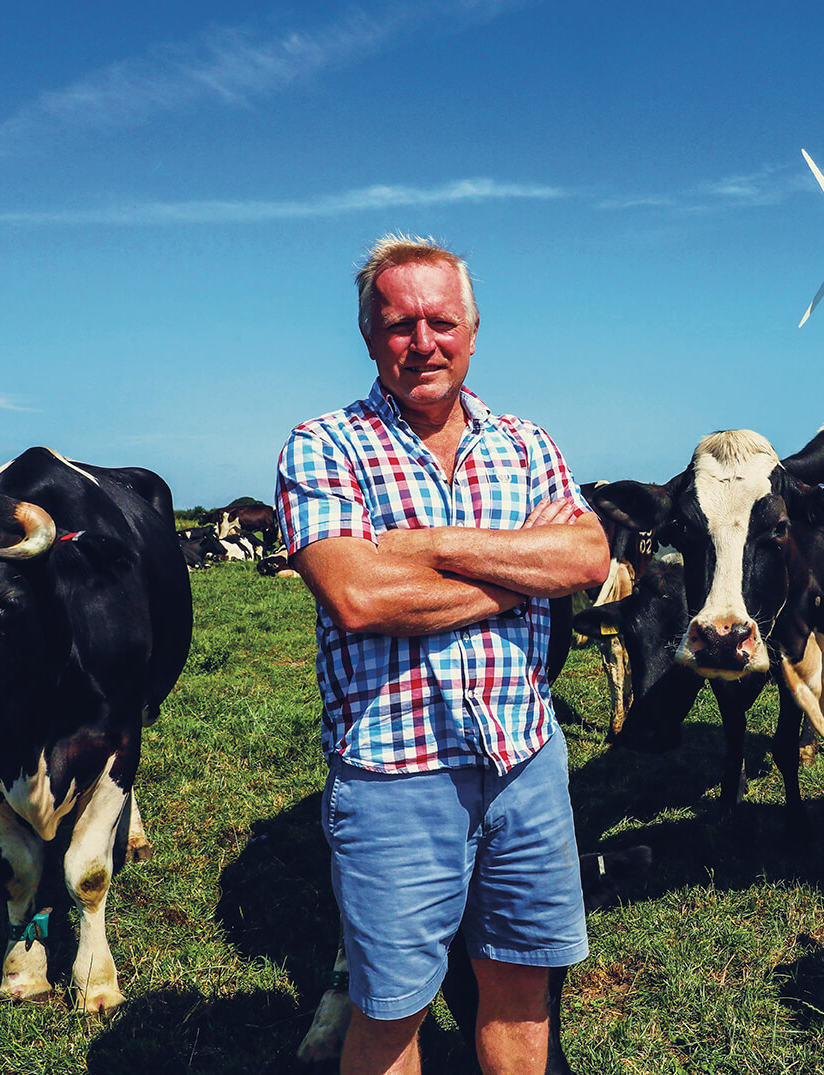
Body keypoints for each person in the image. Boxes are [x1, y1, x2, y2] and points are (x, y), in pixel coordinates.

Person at [276, 234, 609, 1075]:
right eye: (398, 324)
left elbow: (586, 558)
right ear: (367, 334)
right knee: (390, 1011)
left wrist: (429, 545)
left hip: (526, 760)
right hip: (395, 774)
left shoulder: (527, 442)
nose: (421, 342)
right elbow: (360, 597)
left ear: (472, 328)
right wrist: (517, 574)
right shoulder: (324, 445)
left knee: (522, 992)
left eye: (441, 321)